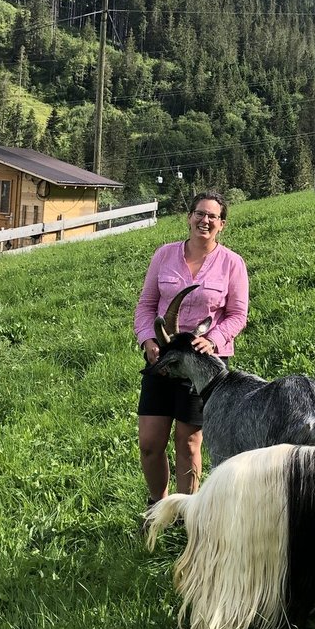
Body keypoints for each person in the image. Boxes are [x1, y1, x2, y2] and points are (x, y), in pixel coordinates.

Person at [133, 191, 249, 509]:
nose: (205, 220)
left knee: (189, 442)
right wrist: (148, 340)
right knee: (149, 443)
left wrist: (213, 339)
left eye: (213, 216)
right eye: (200, 213)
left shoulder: (232, 263)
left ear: (221, 225)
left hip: (203, 367)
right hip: (164, 360)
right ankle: (157, 505)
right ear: (189, 217)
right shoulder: (164, 255)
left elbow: (238, 314)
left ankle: (187, 513)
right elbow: (145, 306)